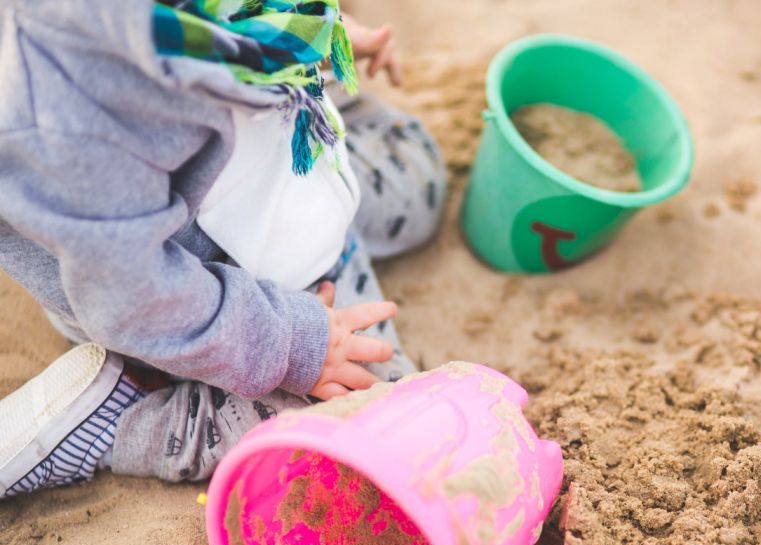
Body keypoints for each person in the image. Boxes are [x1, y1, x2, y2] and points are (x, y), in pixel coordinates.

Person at [0, 0, 446, 497]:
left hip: (283, 172)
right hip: (213, 300)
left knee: (419, 181)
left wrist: (314, 39)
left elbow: (233, 16)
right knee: (376, 415)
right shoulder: (64, 106)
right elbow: (136, 301)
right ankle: (117, 422)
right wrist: (292, 345)